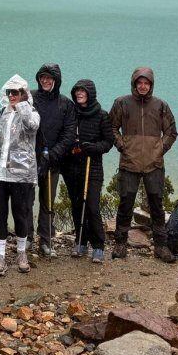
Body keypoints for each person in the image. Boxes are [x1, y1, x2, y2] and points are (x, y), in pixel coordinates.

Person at [110, 67, 178, 263]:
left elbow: (171, 132)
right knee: (125, 203)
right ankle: (120, 243)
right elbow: (112, 127)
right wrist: (122, 146)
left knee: (156, 204)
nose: (142, 86)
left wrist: (158, 149)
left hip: (154, 164)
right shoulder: (121, 103)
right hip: (129, 162)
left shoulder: (160, 106)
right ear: (134, 83)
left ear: (151, 85)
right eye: (139, 82)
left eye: (146, 83)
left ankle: (161, 246)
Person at [0, 75, 40, 276]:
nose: (11, 96)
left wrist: (22, 105)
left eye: (16, 92)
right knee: (0, 215)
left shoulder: (31, 112)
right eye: (9, 92)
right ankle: (0, 256)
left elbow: (32, 127)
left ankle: (22, 253)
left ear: (24, 93)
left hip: (22, 175)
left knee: (21, 215)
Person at [63, 79, 115, 261]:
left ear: (90, 93)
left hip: (92, 167)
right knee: (77, 207)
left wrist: (93, 147)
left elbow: (109, 142)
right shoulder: (71, 113)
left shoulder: (102, 115)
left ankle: (99, 245)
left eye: (82, 91)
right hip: (72, 167)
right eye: (76, 91)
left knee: (92, 206)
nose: (79, 94)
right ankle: (81, 242)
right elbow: (64, 134)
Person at [32, 64, 76, 258]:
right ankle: (24, 239)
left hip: (53, 162)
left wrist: (53, 154)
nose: (46, 81)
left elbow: (69, 134)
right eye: (43, 77)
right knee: (25, 201)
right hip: (29, 160)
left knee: (47, 202)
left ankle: (45, 240)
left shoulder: (65, 104)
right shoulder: (30, 98)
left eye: (50, 78)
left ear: (56, 80)